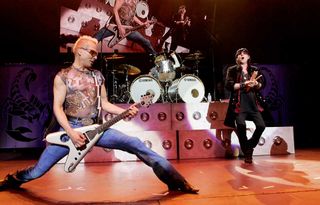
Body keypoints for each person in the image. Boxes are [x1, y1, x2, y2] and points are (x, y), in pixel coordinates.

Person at [0, 35, 199, 194]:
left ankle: (177, 182)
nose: (96, 56)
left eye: (96, 52)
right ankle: (14, 180)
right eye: (92, 52)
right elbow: (57, 108)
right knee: (38, 171)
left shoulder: (98, 76)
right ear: (79, 51)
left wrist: (124, 111)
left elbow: (104, 103)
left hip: (97, 129)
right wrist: (70, 132)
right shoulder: (62, 76)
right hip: (70, 132)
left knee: (137, 144)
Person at [224, 48, 266, 164]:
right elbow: (229, 85)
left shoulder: (254, 70)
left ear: (248, 57)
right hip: (239, 104)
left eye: (244, 54)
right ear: (236, 58)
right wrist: (244, 84)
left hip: (253, 103)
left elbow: (261, 85)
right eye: (239, 54)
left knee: (261, 126)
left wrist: (256, 84)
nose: (241, 55)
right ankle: (248, 153)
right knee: (241, 126)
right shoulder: (232, 70)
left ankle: (249, 146)